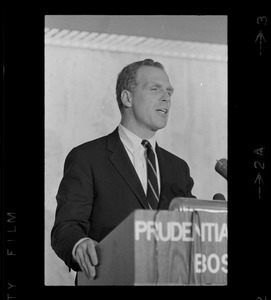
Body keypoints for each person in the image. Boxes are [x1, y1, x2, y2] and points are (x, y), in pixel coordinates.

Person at [51, 58, 196, 284]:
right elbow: (66, 227)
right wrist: (80, 245)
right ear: (127, 97)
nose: (166, 97)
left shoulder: (178, 168)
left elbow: (191, 230)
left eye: (169, 91)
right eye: (155, 88)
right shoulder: (87, 157)